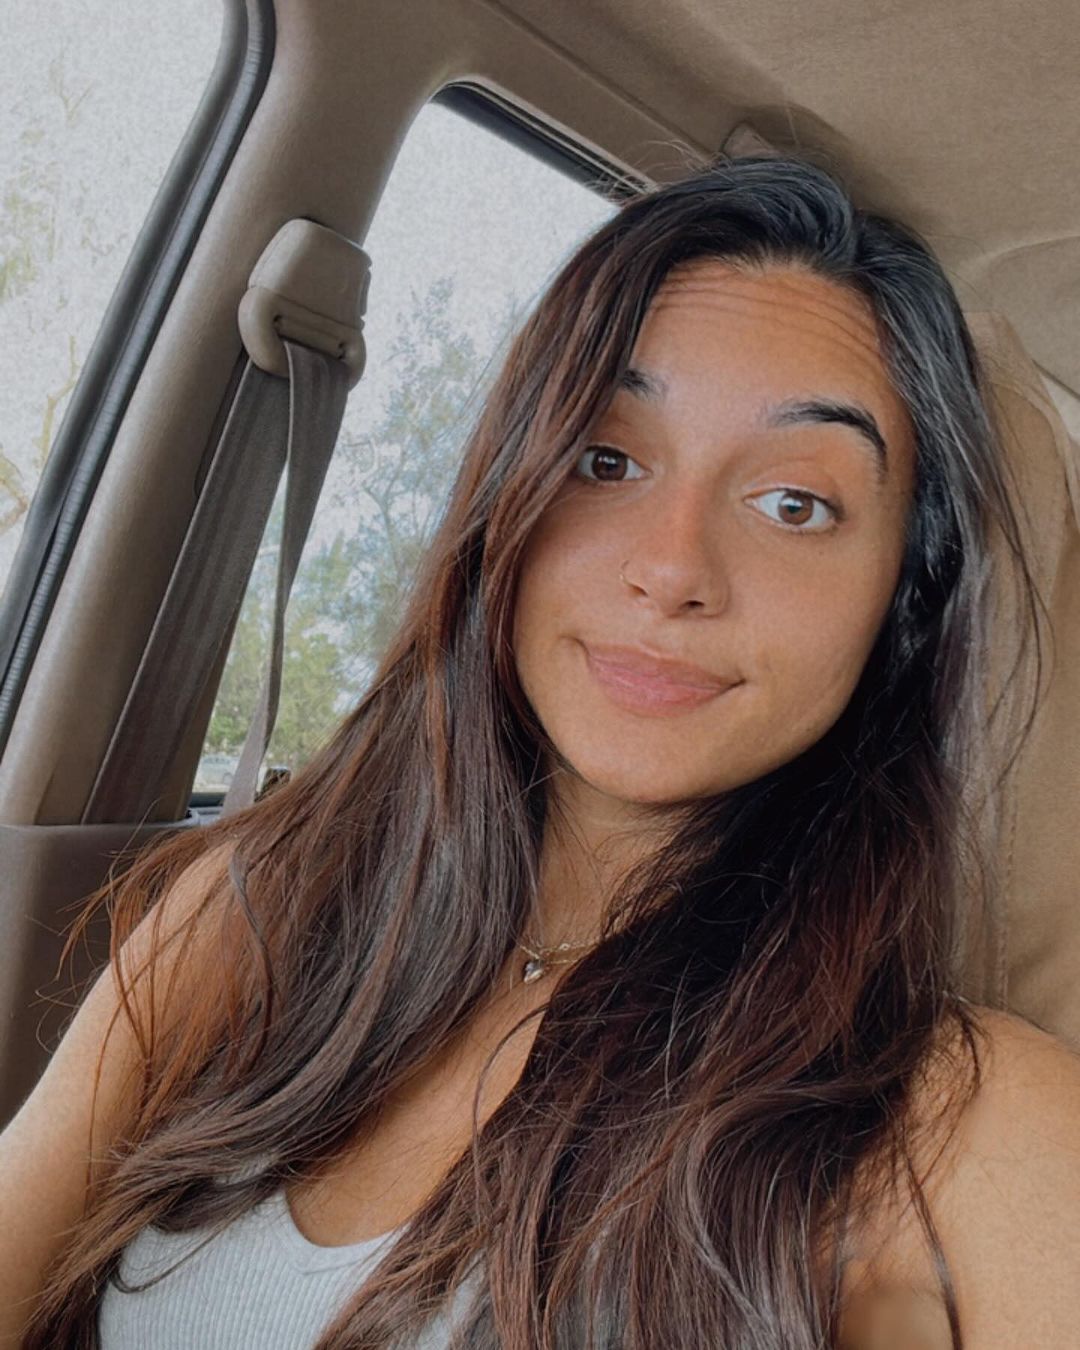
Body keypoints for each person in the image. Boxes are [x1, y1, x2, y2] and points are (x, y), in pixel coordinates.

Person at [5, 152, 1080, 1349]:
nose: (670, 568)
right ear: (506, 497)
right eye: (605, 460)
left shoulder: (973, 1134)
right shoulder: (248, 917)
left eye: (794, 503)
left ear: (903, 598)